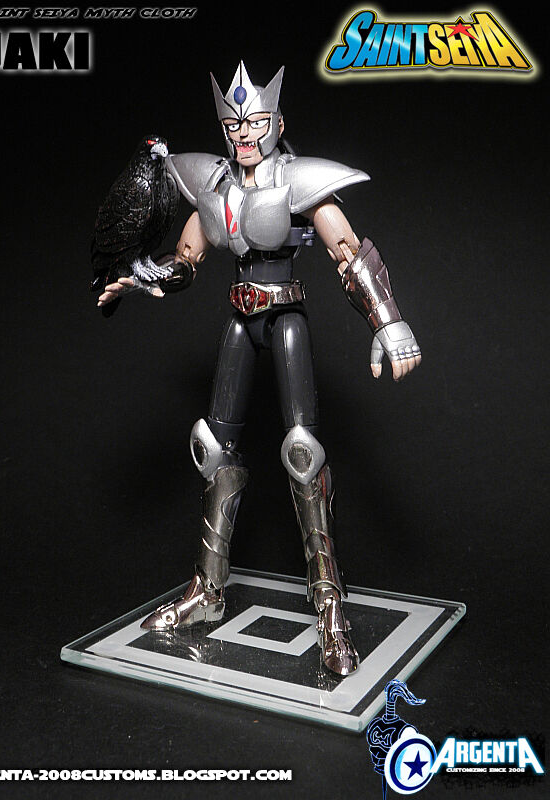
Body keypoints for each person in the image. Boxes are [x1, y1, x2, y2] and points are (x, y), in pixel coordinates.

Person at [97, 62, 421, 675]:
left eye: (255, 122)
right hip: (239, 321)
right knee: (212, 448)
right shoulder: (214, 183)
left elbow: (346, 251)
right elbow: (186, 259)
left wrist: (388, 321)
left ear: (277, 122)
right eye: (233, 125)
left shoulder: (296, 180)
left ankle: (330, 607)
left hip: (286, 318)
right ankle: (208, 589)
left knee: (303, 453)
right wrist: (139, 279)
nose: (243, 133)